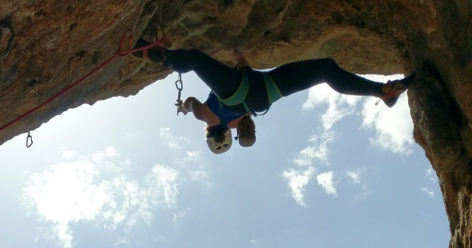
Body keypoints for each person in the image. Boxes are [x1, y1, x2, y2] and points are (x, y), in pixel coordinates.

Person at [134, 41, 415, 154]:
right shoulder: (212, 119)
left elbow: (246, 86)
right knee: (194, 58)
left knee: (326, 68)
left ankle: (383, 92)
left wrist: (241, 60)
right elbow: (194, 103)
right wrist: (185, 107)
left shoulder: (235, 124)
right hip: (245, 88)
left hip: (265, 93)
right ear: (210, 135)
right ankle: (151, 53)